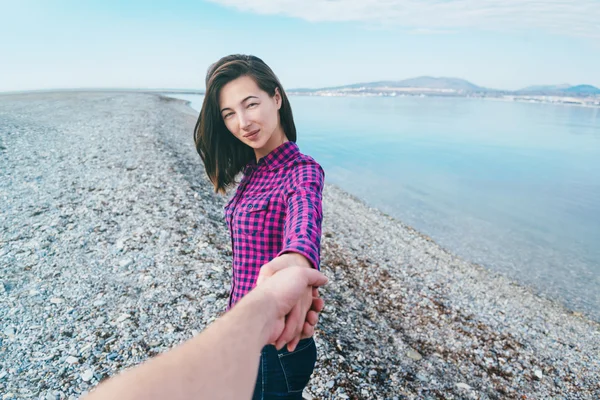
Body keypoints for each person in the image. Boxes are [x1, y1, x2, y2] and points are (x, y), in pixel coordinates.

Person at [193, 54, 326, 399]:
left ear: (276, 98)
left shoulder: (301, 170)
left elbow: (304, 218)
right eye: (229, 114)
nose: (243, 122)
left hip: (275, 347)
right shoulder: (254, 171)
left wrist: (297, 262)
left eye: (250, 104)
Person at [84, 267, 328, 400]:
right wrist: (264, 307)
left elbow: (304, 223)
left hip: (280, 347)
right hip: (264, 336)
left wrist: (295, 261)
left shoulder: (301, 173)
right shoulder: (249, 176)